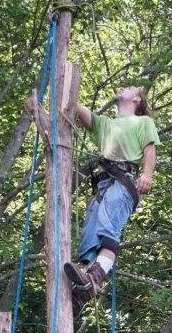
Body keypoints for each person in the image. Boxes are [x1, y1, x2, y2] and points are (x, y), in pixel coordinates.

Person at [64, 86, 160, 314]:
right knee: (89, 235)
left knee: (107, 228)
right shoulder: (105, 124)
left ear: (136, 99)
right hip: (103, 184)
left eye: (129, 88)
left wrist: (147, 175)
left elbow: (149, 150)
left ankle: (96, 277)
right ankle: (84, 282)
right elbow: (75, 107)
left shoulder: (143, 122)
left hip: (123, 181)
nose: (122, 88)